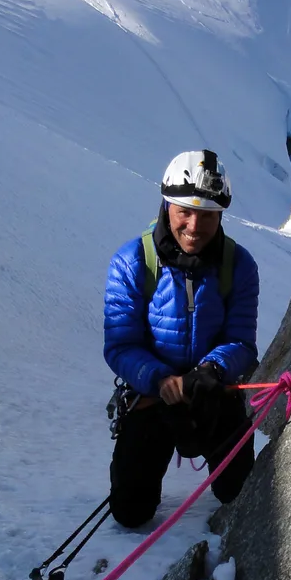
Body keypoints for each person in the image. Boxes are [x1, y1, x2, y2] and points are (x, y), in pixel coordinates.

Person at [104, 150, 259, 527]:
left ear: (220, 215)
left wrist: (212, 370)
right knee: (130, 513)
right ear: (166, 205)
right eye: (185, 212)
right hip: (153, 397)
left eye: (207, 215)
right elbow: (121, 345)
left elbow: (242, 342)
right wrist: (160, 379)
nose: (194, 225)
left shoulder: (238, 265)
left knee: (240, 492)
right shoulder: (133, 262)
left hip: (212, 394)